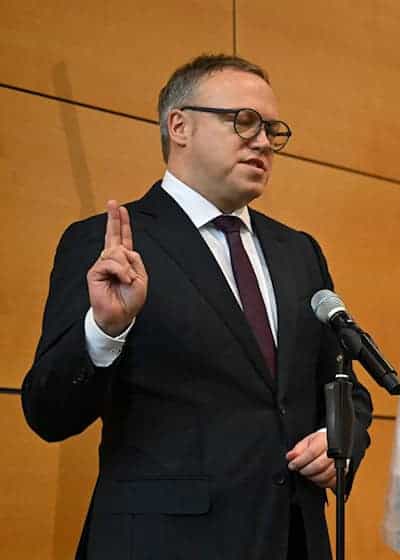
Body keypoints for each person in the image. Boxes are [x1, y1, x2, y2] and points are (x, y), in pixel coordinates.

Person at [21, 54, 373, 560]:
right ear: (179, 126)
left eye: (272, 129)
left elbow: (343, 388)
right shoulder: (109, 246)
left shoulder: (298, 252)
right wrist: (104, 330)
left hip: (293, 540)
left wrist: (341, 441)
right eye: (244, 121)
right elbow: (47, 412)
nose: (262, 141)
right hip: (163, 544)